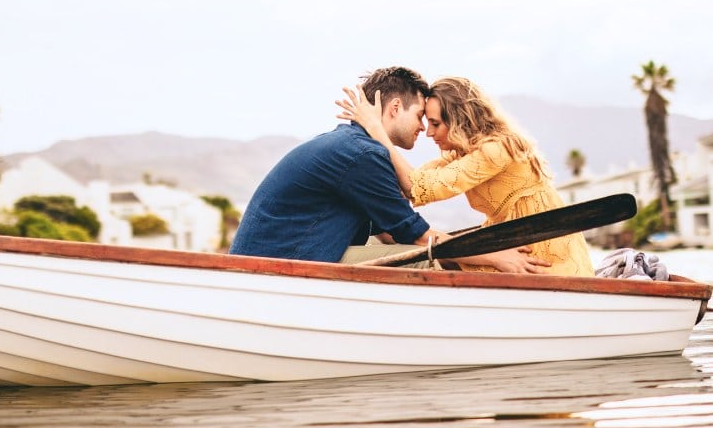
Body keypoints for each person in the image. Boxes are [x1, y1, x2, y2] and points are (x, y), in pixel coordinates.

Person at [229, 66, 549, 273]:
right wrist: (496, 256)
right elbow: (420, 237)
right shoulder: (362, 155)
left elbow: (389, 232)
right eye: (421, 116)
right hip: (283, 269)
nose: (423, 127)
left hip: (273, 263)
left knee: (425, 253)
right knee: (427, 262)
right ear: (395, 108)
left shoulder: (350, 146)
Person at [335, 76, 593, 276]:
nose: (428, 132)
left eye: (435, 123)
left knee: (445, 262)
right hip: (509, 238)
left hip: (540, 243)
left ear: (459, 121)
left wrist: (376, 129)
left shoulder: (495, 150)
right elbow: (413, 183)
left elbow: (418, 185)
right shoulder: (462, 154)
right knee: (442, 259)